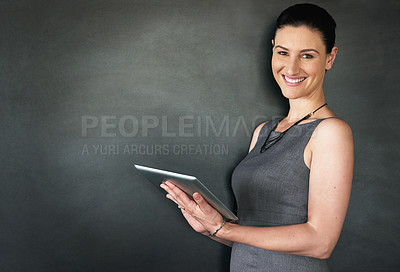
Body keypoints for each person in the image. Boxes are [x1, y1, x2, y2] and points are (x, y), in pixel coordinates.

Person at [160, 3, 354, 271]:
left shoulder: (331, 132)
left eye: (307, 56)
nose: (292, 67)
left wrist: (223, 229)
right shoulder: (263, 132)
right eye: (283, 52)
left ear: (330, 58)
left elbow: (321, 243)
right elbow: (256, 236)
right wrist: (209, 227)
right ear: (272, 49)